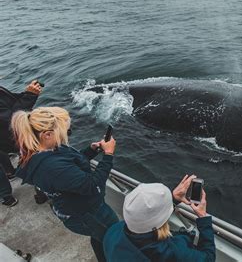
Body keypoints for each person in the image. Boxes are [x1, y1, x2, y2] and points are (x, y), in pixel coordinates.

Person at [12, 106, 119, 262]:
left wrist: (92, 150)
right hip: (87, 214)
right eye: (66, 132)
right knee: (112, 235)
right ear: (47, 135)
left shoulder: (43, 151)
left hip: (76, 209)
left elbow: (69, 166)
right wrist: (108, 155)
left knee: (100, 236)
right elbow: (92, 186)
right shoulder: (51, 167)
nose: (66, 136)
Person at [103, 177, 216, 262]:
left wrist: (172, 200)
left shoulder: (112, 232)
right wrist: (203, 217)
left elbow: (147, 217)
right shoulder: (173, 253)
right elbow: (208, 258)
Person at [0, 80, 42, 207]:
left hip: (8, 139)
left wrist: (27, 93)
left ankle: (10, 172)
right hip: (10, 137)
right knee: (36, 160)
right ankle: (7, 195)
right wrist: (29, 97)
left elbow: (8, 101)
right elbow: (10, 119)